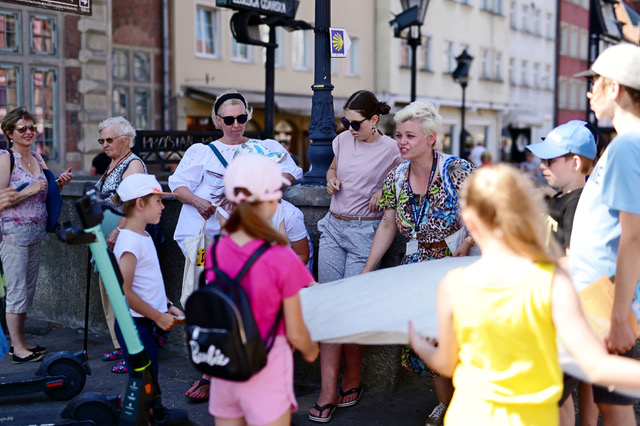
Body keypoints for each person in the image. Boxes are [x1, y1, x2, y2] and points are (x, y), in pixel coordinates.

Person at [408, 164, 640, 425]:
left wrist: (419, 343)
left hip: (470, 415)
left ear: (470, 222)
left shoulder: (453, 284)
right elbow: (595, 365)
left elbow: (446, 364)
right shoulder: (553, 282)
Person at [169, 88, 302, 402]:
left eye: (241, 118)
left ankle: (247, 371)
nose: (235, 124)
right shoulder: (201, 152)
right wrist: (201, 202)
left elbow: (291, 172)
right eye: (228, 119)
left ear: (248, 116)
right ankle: (211, 373)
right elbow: (177, 185)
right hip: (213, 240)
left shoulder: (262, 147)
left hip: (250, 239)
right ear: (217, 120)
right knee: (214, 306)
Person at [361, 101, 475, 425]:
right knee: (427, 336)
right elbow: (387, 224)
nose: (402, 142)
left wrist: (466, 243)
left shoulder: (456, 169)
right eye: (398, 135)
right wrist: (368, 270)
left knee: (460, 337)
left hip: (457, 261)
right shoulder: (396, 176)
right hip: (417, 262)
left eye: (410, 135)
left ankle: (467, 406)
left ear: (431, 138)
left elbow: (483, 212)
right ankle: (444, 405)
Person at [309, 90, 402, 423]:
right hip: (333, 226)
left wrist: (382, 190)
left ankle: (352, 379)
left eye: (356, 123)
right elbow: (333, 166)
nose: (349, 128)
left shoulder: (392, 149)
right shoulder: (343, 141)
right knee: (329, 307)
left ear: (374, 120)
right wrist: (331, 178)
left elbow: (399, 181)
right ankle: (327, 389)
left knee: (349, 309)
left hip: (366, 231)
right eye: (344, 122)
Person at [206, 154, 318, 425]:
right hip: (266, 364)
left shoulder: (217, 249)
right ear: (270, 197)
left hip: (226, 363)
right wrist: (311, 350)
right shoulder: (281, 257)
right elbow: (296, 331)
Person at [570, 43, 640, 426]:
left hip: (607, 297)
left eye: (595, 82)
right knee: (613, 402)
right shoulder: (626, 145)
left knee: (614, 403)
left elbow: (634, 237)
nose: (588, 91)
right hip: (605, 293)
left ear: (614, 88)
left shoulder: (628, 146)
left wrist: (618, 316)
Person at [525, 121, 597, 426]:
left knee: (552, 390)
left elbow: (572, 260)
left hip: (570, 312)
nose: (542, 166)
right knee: (558, 395)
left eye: (550, 160)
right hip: (554, 308)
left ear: (576, 162)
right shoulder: (558, 199)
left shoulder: (580, 204)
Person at [0, 106, 73, 364]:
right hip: (13, 234)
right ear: (10, 132)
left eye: (33, 127)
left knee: (28, 290)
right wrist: (29, 190)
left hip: (36, 234)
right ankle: (17, 348)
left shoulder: (39, 159)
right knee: (17, 289)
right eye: (23, 128)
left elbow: (47, 195)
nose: (29, 132)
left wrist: (58, 185)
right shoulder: (5, 159)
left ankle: (22, 341)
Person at [110, 173, 183, 377]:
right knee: (145, 380)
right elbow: (125, 292)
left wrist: (167, 305)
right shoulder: (130, 242)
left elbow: (151, 282)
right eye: (158, 201)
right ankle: (147, 409)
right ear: (140, 204)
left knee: (149, 378)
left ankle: (152, 408)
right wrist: (158, 317)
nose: (162, 206)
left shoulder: (143, 235)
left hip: (144, 320)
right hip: (135, 325)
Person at [94, 116, 147, 374]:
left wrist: (117, 229)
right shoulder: (112, 163)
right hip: (104, 243)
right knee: (109, 296)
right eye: (102, 140)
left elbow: (135, 203)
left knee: (125, 296)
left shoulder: (133, 164)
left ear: (126, 139)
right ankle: (120, 344)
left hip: (122, 240)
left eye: (109, 139)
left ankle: (134, 351)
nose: (105, 144)